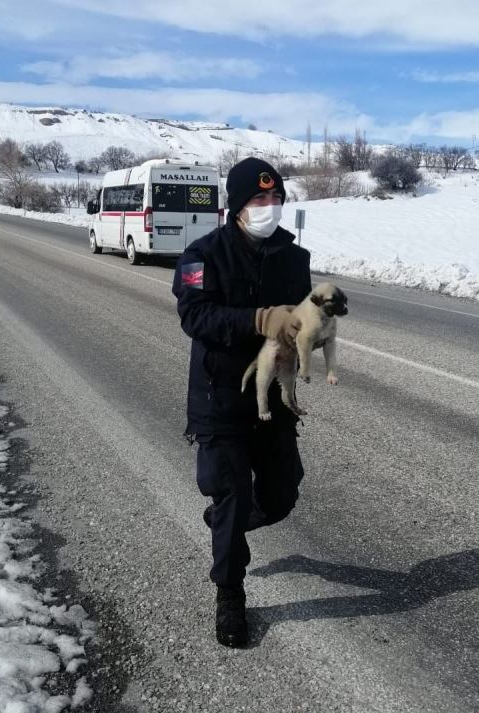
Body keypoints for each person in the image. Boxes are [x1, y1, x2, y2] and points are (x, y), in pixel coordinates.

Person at [172, 157, 311, 647]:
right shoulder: (201, 255)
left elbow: (302, 318)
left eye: (276, 199)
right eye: (258, 200)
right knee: (231, 497)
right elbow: (196, 318)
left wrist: (308, 336)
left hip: (271, 399)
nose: (269, 208)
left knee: (280, 496)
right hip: (220, 399)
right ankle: (230, 594)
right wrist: (257, 320)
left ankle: (224, 522)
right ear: (237, 205)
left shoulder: (295, 259)